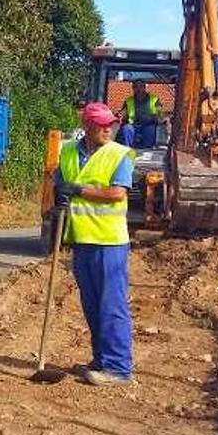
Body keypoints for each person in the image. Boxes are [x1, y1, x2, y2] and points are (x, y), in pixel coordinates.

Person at [55, 101, 136, 386]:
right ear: (87, 126)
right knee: (91, 304)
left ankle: (118, 367)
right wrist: (61, 195)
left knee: (111, 304)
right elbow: (60, 182)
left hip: (109, 242)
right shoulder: (67, 151)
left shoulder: (119, 155)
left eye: (110, 124)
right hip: (82, 239)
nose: (108, 129)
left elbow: (116, 193)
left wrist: (78, 189)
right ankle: (101, 359)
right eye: (101, 124)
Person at [121, 80, 162, 148]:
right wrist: (122, 115)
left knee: (151, 130)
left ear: (144, 88)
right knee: (126, 128)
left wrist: (158, 116)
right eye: (136, 87)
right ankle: (128, 149)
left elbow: (160, 113)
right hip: (133, 125)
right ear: (133, 88)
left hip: (148, 125)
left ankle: (148, 149)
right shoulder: (128, 100)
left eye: (141, 86)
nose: (138, 89)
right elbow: (123, 113)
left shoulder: (154, 99)